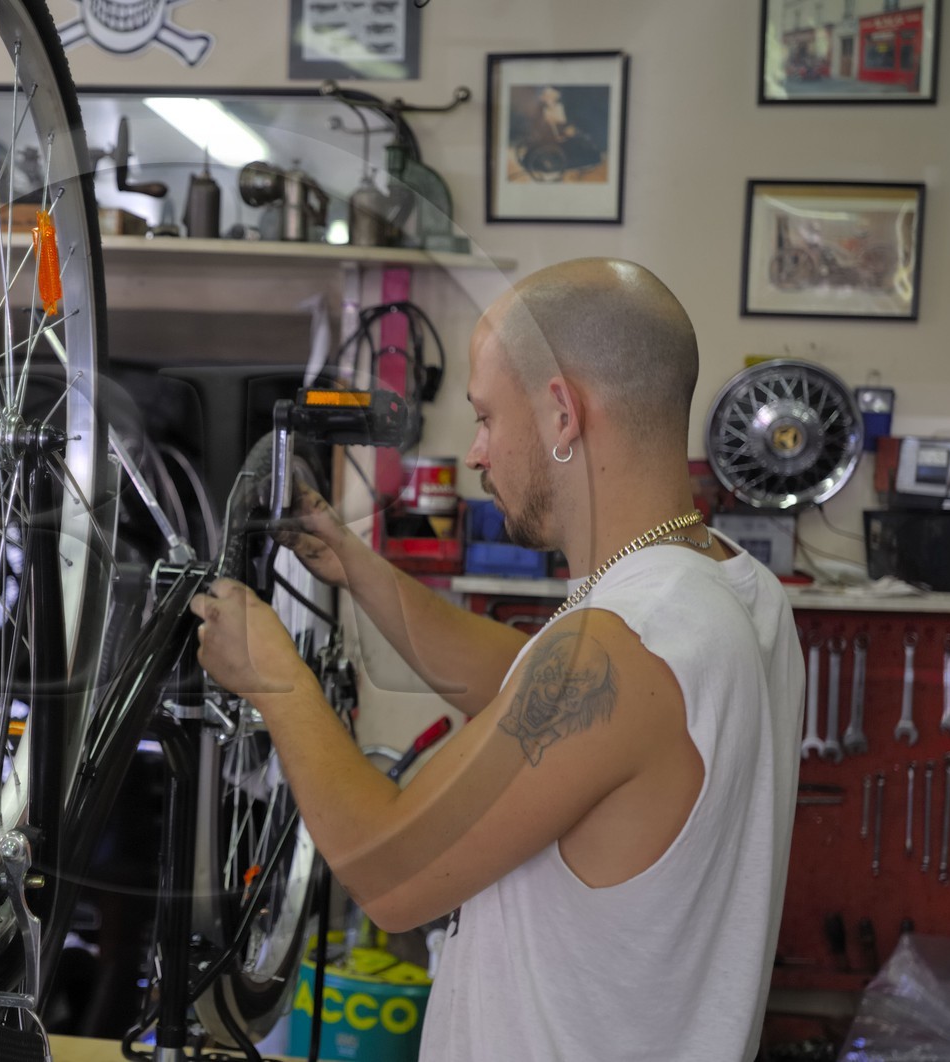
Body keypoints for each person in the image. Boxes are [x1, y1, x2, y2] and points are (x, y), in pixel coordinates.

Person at [189, 258, 804, 1061]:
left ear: (561, 414)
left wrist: (274, 676)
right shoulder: (733, 589)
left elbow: (391, 876)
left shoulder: (623, 644)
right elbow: (528, 688)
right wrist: (355, 565)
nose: (475, 453)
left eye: (484, 417)